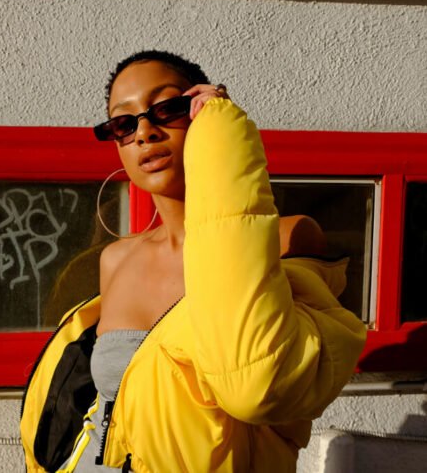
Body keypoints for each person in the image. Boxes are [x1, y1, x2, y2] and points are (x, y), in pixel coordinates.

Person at [21, 50, 367, 472]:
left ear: (202, 110)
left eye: (167, 108)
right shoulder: (116, 259)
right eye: (123, 124)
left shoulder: (289, 238)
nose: (144, 132)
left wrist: (221, 132)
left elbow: (260, 381)